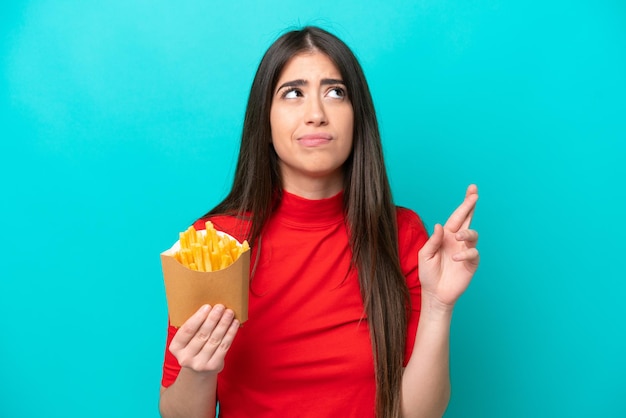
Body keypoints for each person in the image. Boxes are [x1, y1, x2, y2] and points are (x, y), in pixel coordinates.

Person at [159, 26, 479, 418]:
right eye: (293, 93)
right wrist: (197, 370)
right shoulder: (214, 244)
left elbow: (417, 414)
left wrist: (438, 306)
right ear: (265, 120)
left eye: (335, 92)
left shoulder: (402, 235)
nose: (316, 114)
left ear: (357, 117)